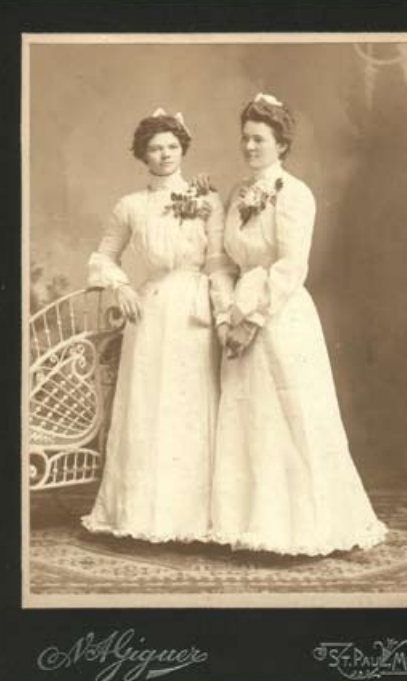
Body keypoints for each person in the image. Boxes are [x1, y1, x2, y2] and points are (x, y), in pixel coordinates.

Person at [211, 93, 388, 556]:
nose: (250, 147)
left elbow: (291, 266)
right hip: (241, 308)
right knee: (248, 415)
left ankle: (301, 529)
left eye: (259, 139)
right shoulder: (237, 194)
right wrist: (226, 315)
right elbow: (226, 262)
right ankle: (250, 525)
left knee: (290, 413)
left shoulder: (295, 193)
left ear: (282, 144)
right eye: (245, 138)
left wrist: (253, 320)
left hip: (280, 314)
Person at [82, 108, 233, 543]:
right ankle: (144, 516)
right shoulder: (130, 205)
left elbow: (218, 263)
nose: (165, 154)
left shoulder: (207, 199)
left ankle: (195, 519)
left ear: (183, 149)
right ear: (142, 154)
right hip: (150, 311)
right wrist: (120, 286)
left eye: (172, 146)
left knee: (192, 405)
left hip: (195, 313)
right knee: (149, 405)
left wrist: (224, 314)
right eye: (155, 148)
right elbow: (103, 255)